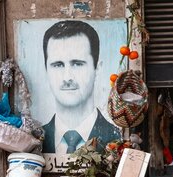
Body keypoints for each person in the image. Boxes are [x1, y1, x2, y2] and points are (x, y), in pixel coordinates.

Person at [40, 20, 119, 154]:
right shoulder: (35, 140)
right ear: (46, 70)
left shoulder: (118, 139)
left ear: (97, 69)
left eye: (77, 64)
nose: (67, 77)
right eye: (58, 65)